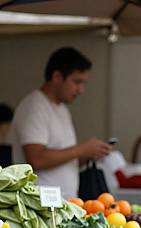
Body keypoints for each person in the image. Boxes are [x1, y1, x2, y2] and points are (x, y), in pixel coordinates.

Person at [9, 47, 111, 198]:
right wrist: (81, 149)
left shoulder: (61, 108)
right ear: (57, 76)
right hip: (40, 204)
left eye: (84, 83)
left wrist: (88, 154)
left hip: (62, 202)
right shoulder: (34, 106)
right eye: (77, 82)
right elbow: (35, 158)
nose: (81, 90)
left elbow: (62, 158)